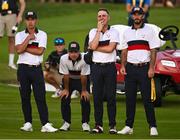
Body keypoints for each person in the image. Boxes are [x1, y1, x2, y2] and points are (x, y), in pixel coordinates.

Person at [117, 7, 159, 136]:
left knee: (147, 99)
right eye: (134, 14)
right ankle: (129, 126)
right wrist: (123, 66)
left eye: (139, 14)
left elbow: (153, 51)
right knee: (130, 99)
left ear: (143, 16)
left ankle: (152, 126)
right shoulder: (126, 32)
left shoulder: (150, 30)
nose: (136, 17)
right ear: (131, 16)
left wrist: (152, 68)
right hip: (130, 69)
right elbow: (124, 51)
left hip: (144, 68)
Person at [15, 11, 58, 132]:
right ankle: (28, 123)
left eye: (32, 19)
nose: (30, 22)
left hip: (36, 69)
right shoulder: (19, 35)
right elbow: (18, 51)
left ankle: (45, 124)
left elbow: (40, 51)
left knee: (40, 97)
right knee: (25, 96)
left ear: (36, 20)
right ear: (25, 21)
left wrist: (24, 48)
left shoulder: (42, 34)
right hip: (23, 69)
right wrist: (28, 38)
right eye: (28, 19)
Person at [88, 8, 119, 134]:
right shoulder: (93, 31)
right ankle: (98, 125)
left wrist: (95, 48)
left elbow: (111, 49)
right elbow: (92, 46)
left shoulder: (114, 31)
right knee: (97, 97)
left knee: (111, 97)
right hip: (96, 67)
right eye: (99, 16)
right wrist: (99, 31)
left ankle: (112, 126)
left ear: (108, 17)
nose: (101, 18)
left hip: (110, 67)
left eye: (104, 16)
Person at [59, 41, 91, 132]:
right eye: (71, 52)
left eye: (75, 52)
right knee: (64, 98)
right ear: (68, 52)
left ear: (79, 51)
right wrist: (65, 89)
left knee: (85, 99)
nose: (73, 54)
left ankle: (85, 123)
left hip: (82, 80)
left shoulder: (85, 58)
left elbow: (84, 76)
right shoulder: (63, 58)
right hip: (69, 80)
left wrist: (84, 90)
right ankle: (66, 123)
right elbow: (65, 75)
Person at [0, 0, 26, 69]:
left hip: (12, 15)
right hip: (1, 15)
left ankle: (11, 63)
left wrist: (20, 15)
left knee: (11, 38)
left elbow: (22, 3)